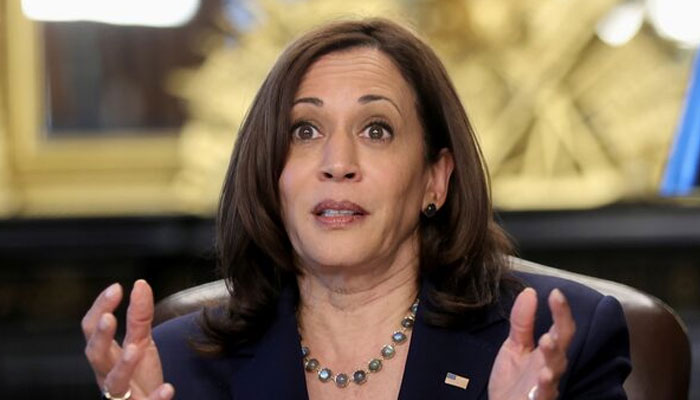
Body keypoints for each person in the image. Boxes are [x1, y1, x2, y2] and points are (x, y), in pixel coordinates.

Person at [81, 18, 631, 400]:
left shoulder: (559, 342)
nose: (337, 163)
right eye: (305, 130)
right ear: (272, 178)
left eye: (376, 130)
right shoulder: (176, 366)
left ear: (434, 180)